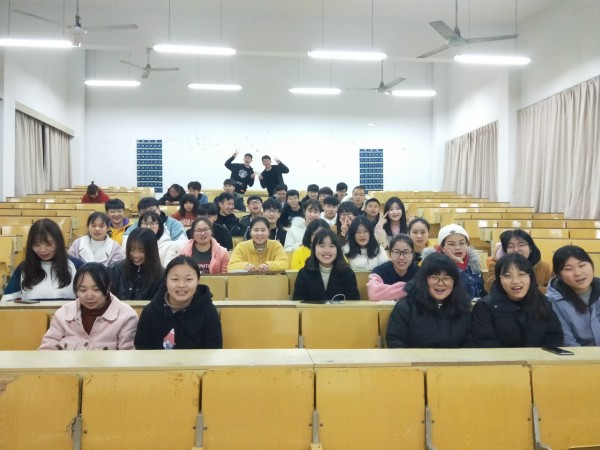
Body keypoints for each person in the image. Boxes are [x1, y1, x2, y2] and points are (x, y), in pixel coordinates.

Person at [39, 263, 138, 350]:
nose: (89, 296)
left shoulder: (126, 316)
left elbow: (127, 357)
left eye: (96, 289)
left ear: (108, 287)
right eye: (83, 290)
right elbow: (47, 348)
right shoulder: (64, 313)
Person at [472, 253, 563, 348]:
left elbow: (554, 338)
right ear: (499, 279)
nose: (515, 281)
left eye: (521, 274)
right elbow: (485, 343)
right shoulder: (485, 307)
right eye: (507, 275)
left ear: (530, 277)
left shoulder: (542, 302)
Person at [386, 253, 472, 348]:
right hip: (415, 357)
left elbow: (470, 342)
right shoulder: (406, 307)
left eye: (446, 278)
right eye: (434, 277)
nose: (440, 283)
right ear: (423, 279)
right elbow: (396, 341)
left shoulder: (462, 307)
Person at [135, 255, 222, 350]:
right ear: (166, 280)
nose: (181, 285)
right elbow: (142, 348)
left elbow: (213, 349)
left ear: (198, 280)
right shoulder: (150, 311)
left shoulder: (208, 311)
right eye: (175, 279)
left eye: (188, 279)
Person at [2, 219, 84, 302]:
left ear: (58, 243)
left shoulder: (77, 266)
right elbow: (7, 302)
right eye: (36, 245)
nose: (42, 250)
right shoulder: (24, 268)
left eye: (49, 244)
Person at [546, 245, 600, 346]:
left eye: (582, 265)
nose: (578, 273)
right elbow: (568, 342)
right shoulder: (552, 301)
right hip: (579, 354)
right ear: (559, 275)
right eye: (568, 269)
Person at [293, 229, 360, 301]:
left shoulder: (348, 274)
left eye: (331, 246)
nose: (327, 250)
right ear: (314, 248)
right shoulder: (304, 274)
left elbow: (353, 303)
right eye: (322, 246)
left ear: (337, 249)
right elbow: (298, 303)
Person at [422, 224, 485, 299]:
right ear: (442, 248)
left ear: (467, 245)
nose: (457, 247)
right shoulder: (432, 266)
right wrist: (459, 267)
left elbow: (479, 292)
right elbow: (467, 294)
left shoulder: (473, 264)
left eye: (462, 243)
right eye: (451, 244)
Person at [485, 229, 553, 294]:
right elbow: (491, 288)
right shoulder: (496, 265)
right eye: (511, 246)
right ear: (505, 251)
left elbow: (551, 291)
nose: (516, 249)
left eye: (521, 245)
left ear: (531, 248)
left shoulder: (544, 267)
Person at [108, 228, 164, 300]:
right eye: (132, 250)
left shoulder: (161, 275)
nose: (136, 255)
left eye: (141, 251)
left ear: (151, 251)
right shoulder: (114, 269)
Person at [367, 234, 419, 301]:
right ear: (390, 253)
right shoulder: (379, 271)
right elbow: (373, 293)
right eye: (397, 252)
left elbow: (424, 293)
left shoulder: (420, 272)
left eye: (406, 252)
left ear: (412, 254)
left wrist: (386, 292)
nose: (401, 257)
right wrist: (409, 288)